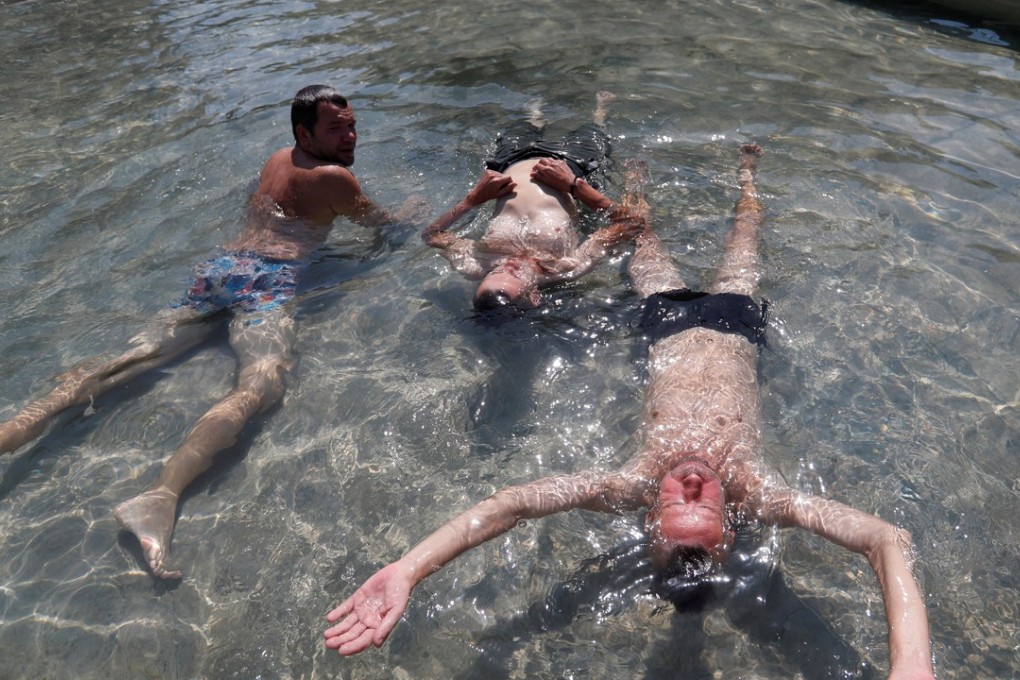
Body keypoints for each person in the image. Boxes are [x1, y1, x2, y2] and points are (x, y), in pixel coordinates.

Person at [323, 145, 935, 679]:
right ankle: (747, 176)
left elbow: (508, 504)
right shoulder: (760, 494)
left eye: (677, 505)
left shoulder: (630, 485)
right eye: (704, 507)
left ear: (649, 521)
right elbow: (886, 538)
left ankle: (638, 182)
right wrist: (913, 662)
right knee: (746, 231)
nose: (694, 485)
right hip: (735, 320)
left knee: (641, 231)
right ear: (727, 532)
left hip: (664, 319)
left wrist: (408, 569)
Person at [0, 84, 417, 579]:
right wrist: (411, 216)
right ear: (305, 132)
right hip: (266, 282)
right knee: (262, 383)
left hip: (222, 269)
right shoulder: (335, 178)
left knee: (130, 360)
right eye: (336, 128)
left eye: (351, 125)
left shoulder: (278, 157)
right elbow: (383, 229)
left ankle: (11, 433)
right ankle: (161, 496)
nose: (350, 135)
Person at [422, 92, 645, 312]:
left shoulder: (475, 264)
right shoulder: (569, 266)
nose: (508, 266)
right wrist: (574, 185)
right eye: (515, 274)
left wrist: (473, 199)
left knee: (524, 122)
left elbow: (431, 235)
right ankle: (600, 111)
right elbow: (633, 223)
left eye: (496, 273)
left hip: (510, 159)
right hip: (570, 164)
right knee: (594, 130)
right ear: (534, 295)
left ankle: (535, 114)